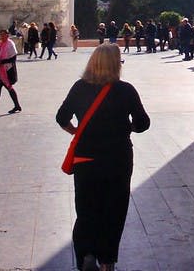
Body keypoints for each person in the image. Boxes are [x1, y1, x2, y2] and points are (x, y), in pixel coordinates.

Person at [56, 44, 150, 271]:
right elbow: (143, 123)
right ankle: (107, 261)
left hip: (86, 159)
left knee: (86, 210)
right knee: (114, 210)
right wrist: (130, 127)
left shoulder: (79, 88)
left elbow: (61, 117)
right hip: (117, 160)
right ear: (115, 65)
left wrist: (76, 132)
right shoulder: (125, 90)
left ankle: (86, 253)